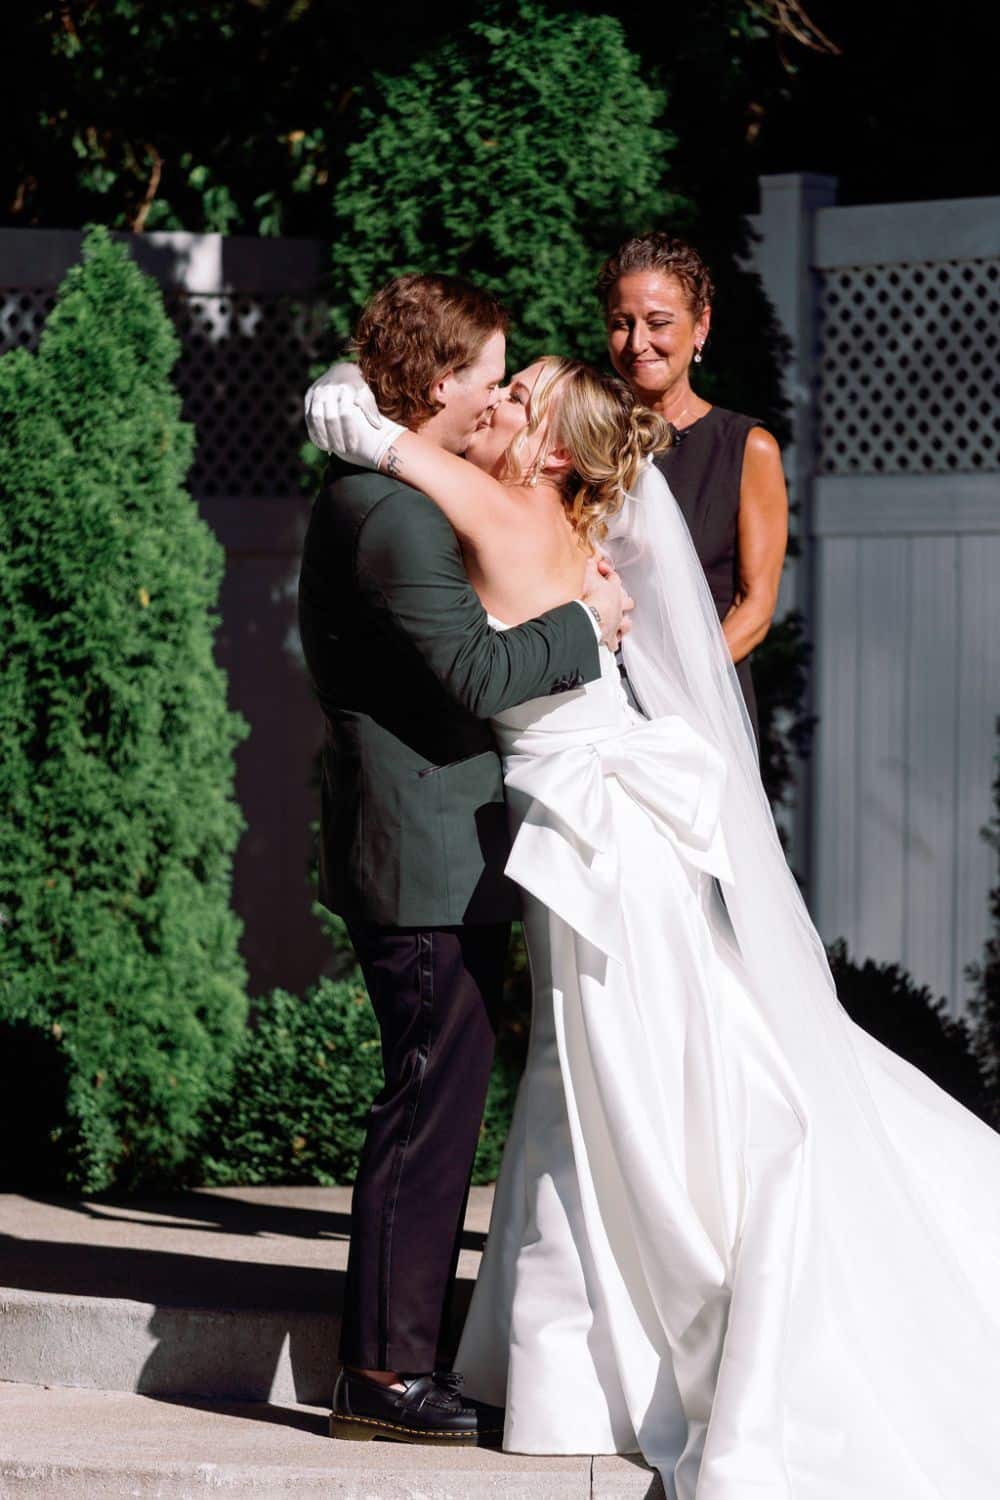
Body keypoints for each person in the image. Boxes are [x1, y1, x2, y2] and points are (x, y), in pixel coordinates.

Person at [310, 362, 1000, 1499]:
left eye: (518, 398)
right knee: (614, 1071)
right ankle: (583, 1334)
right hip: (605, 826)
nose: (500, 404)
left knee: (625, 1075)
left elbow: (378, 438)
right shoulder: (555, 519)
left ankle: (649, 1315)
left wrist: (345, 390)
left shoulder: (503, 502)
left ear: (555, 455)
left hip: (600, 844)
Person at [297, 274, 629, 1447]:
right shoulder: (391, 519)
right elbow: (483, 677)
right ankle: (384, 1378)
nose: (500, 395)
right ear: (441, 385)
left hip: (440, 844)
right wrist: (582, 627)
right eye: (490, 377)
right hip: (424, 850)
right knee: (429, 1104)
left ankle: (393, 1359)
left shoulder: (387, 485)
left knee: (436, 1099)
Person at [599, 233, 788, 741]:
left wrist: (674, 689)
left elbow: (756, 607)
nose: (638, 343)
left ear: (700, 326)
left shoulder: (748, 449)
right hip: (597, 709)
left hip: (701, 709)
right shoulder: (585, 443)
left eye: (658, 323)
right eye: (622, 324)